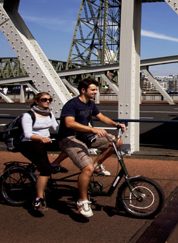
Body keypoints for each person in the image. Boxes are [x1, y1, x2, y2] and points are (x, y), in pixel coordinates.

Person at [58, 77, 126, 218]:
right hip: (69, 138)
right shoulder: (72, 104)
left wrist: (115, 124)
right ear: (83, 90)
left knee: (116, 142)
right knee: (86, 168)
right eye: (93, 89)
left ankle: (97, 165)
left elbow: (101, 117)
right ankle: (82, 201)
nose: (96, 92)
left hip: (84, 137)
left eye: (96, 89)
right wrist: (93, 130)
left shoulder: (90, 104)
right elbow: (69, 124)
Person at [18, 92, 67, 212]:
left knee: (69, 147)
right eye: (44, 99)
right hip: (29, 144)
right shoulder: (28, 115)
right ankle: (38, 198)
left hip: (45, 142)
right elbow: (28, 134)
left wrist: (70, 129)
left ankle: (55, 163)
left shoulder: (49, 114)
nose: (48, 101)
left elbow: (56, 128)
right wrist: (41, 138)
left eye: (50, 99)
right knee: (45, 170)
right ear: (37, 101)